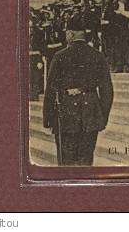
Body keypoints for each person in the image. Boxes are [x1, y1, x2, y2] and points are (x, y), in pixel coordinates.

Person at [42, 13, 113, 166]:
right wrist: (102, 117)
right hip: (91, 113)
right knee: (86, 160)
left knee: (66, 162)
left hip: (66, 113)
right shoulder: (98, 55)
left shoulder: (60, 56)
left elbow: (50, 90)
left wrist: (48, 119)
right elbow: (107, 91)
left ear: (70, 34)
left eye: (66, 33)